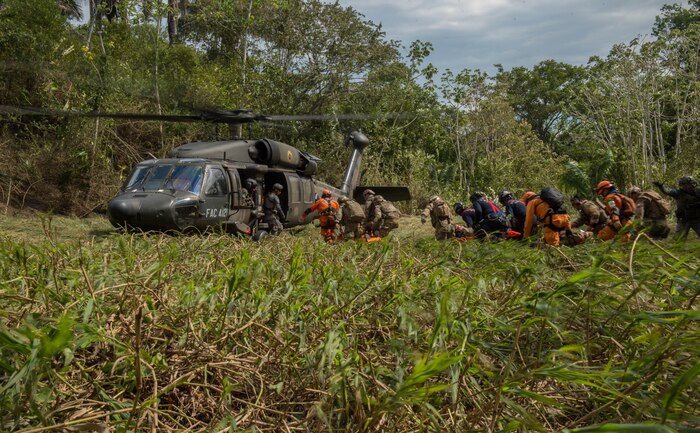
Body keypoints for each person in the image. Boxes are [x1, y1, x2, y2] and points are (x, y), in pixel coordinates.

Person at [654, 176, 700, 240]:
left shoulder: (698, 191)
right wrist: (661, 187)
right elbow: (667, 191)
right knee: (678, 240)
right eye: (683, 185)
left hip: (697, 219)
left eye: (686, 184)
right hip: (684, 220)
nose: (684, 186)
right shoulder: (678, 193)